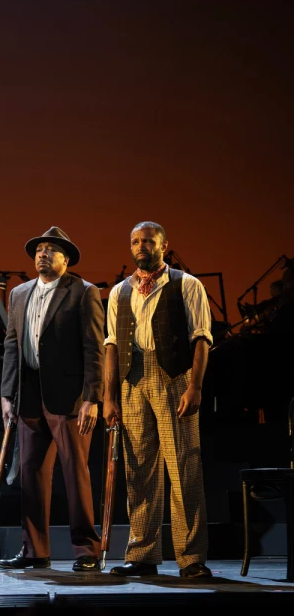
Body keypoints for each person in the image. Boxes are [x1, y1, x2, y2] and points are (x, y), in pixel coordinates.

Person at [103, 222, 213, 578]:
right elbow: (111, 346)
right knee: (138, 471)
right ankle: (142, 554)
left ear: (164, 245)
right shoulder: (119, 292)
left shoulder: (186, 284)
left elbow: (201, 338)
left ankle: (190, 557)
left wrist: (194, 386)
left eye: (148, 241)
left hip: (173, 377)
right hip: (132, 380)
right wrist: (109, 397)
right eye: (135, 241)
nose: (140, 246)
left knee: (183, 468)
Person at [0, 227, 105, 572]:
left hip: (70, 398)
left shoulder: (83, 292)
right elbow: (12, 345)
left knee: (76, 472)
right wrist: (6, 394)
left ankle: (86, 550)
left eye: (51, 250)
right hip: (28, 395)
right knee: (31, 474)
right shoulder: (19, 294)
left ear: (66, 258)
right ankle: (34, 550)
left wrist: (93, 397)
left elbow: (94, 349)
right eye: (39, 249)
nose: (43, 254)